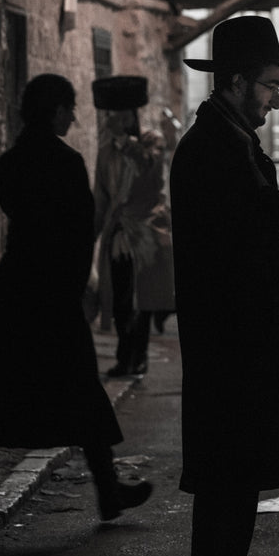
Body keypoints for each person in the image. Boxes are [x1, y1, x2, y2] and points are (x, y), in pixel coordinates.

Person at [170, 16, 279, 556]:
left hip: (239, 335)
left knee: (238, 467)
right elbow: (256, 221)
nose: (276, 97)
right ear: (235, 82)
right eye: (268, 85)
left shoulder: (231, 137)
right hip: (228, 339)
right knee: (227, 470)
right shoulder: (213, 147)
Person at [0, 73, 152, 521]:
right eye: (70, 109)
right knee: (81, 386)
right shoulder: (66, 162)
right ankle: (108, 490)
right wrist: (80, 287)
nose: (74, 117)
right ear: (56, 110)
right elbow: (78, 234)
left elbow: (17, 215)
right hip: (53, 291)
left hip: (16, 286)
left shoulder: (10, 162)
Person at [92, 76, 175, 378]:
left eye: (122, 116)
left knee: (143, 300)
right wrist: (94, 232)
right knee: (121, 302)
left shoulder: (151, 142)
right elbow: (101, 196)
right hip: (118, 235)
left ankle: (135, 357)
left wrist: (126, 143)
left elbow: (150, 172)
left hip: (147, 235)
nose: (117, 121)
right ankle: (126, 355)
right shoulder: (106, 152)